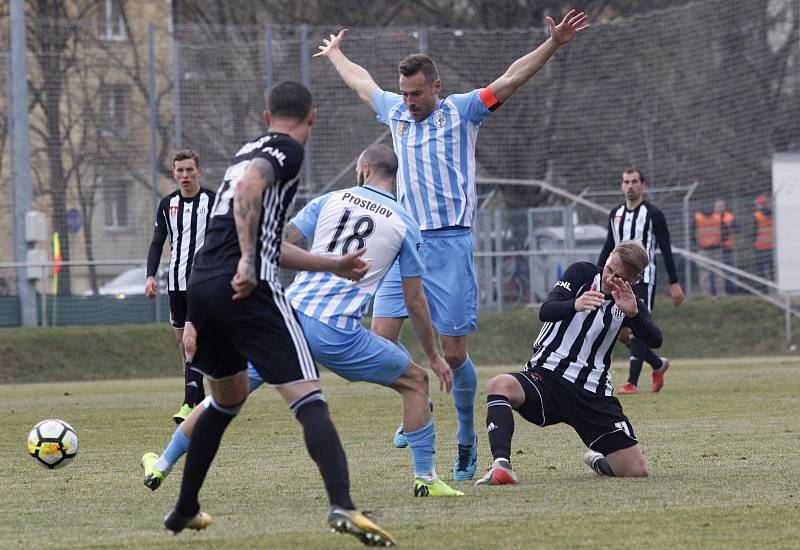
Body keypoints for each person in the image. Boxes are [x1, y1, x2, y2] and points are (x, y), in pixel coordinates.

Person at [315, 9, 589, 480]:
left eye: (416, 93)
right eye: (403, 93)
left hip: (450, 246)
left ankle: (466, 435)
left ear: (436, 87)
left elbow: (509, 80)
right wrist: (337, 54)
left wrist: (554, 44)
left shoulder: (463, 111)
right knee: (380, 343)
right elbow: (363, 85)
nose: (409, 101)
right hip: (402, 243)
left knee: (455, 354)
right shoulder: (396, 115)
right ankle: (419, 400)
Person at [142, 144, 462, 499]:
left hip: (284, 322)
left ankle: (163, 463)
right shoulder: (404, 223)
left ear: (364, 169)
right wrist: (433, 355)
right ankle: (426, 478)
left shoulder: (329, 200)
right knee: (415, 381)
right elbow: (414, 300)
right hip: (335, 331)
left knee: (221, 398)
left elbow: (276, 245)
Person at [161, 81, 394, 547]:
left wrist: (333, 264)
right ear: (313, 118)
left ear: (266, 117)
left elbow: (259, 233)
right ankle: (343, 506)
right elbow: (252, 201)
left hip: (204, 288)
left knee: (226, 401)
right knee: (309, 397)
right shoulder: (288, 149)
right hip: (246, 287)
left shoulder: (248, 148)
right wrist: (248, 262)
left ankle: (185, 508)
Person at [476, 241, 661, 485]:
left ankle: (598, 460)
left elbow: (655, 340)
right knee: (499, 384)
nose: (609, 278)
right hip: (547, 376)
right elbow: (547, 310)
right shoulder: (582, 274)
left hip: (592, 394)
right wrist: (574, 304)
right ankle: (502, 466)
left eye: (619, 276)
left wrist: (634, 315)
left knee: (636, 470)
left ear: (634, 280)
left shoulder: (631, 300)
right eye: (609, 269)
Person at [598, 168, 683, 395]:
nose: (630, 186)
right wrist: (598, 274)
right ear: (621, 185)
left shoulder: (653, 214)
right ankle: (657, 365)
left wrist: (674, 283)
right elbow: (609, 245)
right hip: (616, 277)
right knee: (619, 330)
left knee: (636, 324)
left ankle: (631, 383)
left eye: (634, 181)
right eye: (626, 182)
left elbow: (666, 249)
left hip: (644, 279)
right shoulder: (615, 213)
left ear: (642, 185)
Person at [145, 150, 215, 424]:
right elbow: (157, 241)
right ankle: (201, 400)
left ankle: (188, 404)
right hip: (176, 283)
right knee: (183, 343)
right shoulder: (167, 204)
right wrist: (151, 275)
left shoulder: (213, 201)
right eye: (180, 171)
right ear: (174, 173)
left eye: (189, 170)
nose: (184, 175)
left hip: (204, 283)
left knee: (190, 341)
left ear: (198, 171)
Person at [694, 201, 725, 295]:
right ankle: (718, 294)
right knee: (712, 273)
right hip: (709, 249)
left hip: (710, 249)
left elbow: (725, 231)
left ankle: (709, 294)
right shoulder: (716, 217)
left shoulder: (698, 218)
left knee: (710, 274)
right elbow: (726, 232)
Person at [752, 194, 774, 286]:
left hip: (761, 247)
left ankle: (763, 291)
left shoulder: (756, 215)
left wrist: (753, 242)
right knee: (772, 271)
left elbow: (752, 232)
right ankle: (774, 290)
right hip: (772, 247)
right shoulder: (775, 214)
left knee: (762, 271)